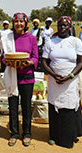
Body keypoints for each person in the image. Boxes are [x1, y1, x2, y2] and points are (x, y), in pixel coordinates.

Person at [42, 16, 82, 148]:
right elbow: (44, 62)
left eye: (65, 25)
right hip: (55, 80)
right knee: (54, 106)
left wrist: (69, 76)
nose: (62, 28)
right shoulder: (50, 42)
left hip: (70, 80)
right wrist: (53, 75)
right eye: (60, 25)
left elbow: (80, 62)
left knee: (69, 106)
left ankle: (68, 138)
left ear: (70, 27)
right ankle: (54, 136)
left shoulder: (76, 42)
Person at [0, 12, 38, 147]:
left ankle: (27, 133)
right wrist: (7, 62)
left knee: (26, 107)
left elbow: (35, 57)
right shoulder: (7, 38)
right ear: (13, 23)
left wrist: (29, 63)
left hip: (27, 77)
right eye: (16, 22)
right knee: (13, 106)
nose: (19, 24)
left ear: (26, 23)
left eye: (21, 22)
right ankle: (14, 133)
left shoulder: (32, 38)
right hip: (12, 76)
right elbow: (3, 57)